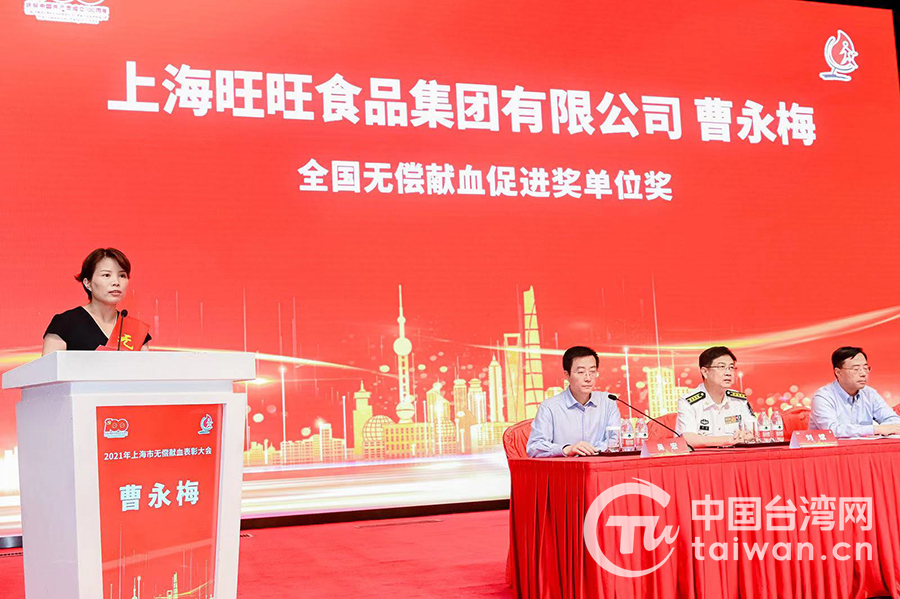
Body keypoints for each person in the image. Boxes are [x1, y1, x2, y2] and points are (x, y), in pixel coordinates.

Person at [42, 248, 151, 354]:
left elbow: (146, 366)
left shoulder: (137, 332)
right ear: (87, 283)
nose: (116, 282)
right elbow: (49, 366)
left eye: (122, 275)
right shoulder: (64, 324)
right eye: (106, 275)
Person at [526, 346, 622, 457]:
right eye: (581, 372)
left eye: (592, 371)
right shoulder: (549, 407)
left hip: (600, 466)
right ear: (567, 375)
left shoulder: (608, 402)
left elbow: (616, 439)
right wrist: (566, 449)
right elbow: (534, 447)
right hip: (566, 467)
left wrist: (592, 451)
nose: (588, 378)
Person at [809, 346, 900, 438]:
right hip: (830, 447)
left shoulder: (870, 394)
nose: (863, 374)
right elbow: (832, 430)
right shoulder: (823, 397)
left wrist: (887, 428)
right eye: (856, 369)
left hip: (864, 446)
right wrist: (875, 429)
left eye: (865, 368)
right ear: (838, 372)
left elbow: (894, 420)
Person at [675, 346, 755, 447]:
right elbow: (688, 439)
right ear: (705, 372)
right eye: (721, 367)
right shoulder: (688, 402)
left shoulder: (739, 400)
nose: (728, 373)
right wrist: (729, 440)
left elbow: (754, 430)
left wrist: (747, 435)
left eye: (731, 367)